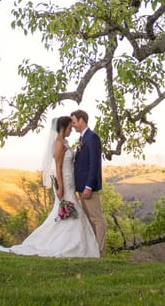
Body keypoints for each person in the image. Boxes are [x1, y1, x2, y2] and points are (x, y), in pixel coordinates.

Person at [0, 116, 99, 257]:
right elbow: (58, 165)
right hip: (65, 183)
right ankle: (67, 245)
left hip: (70, 181)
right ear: (63, 128)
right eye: (69, 128)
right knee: (72, 214)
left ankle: (71, 244)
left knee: (69, 214)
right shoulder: (58, 143)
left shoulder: (65, 142)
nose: (71, 130)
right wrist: (60, 187)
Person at [71, 109, 106, 257]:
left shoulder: (92, 138)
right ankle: (92, 251)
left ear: (82, 121)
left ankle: (100, 252)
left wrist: (89, 186)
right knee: (89, 220)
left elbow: (94, 164)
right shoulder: (82, 138)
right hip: (81, 187)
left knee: (97, 220)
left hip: (88, 187)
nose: (72, 125)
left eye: (74, 121)